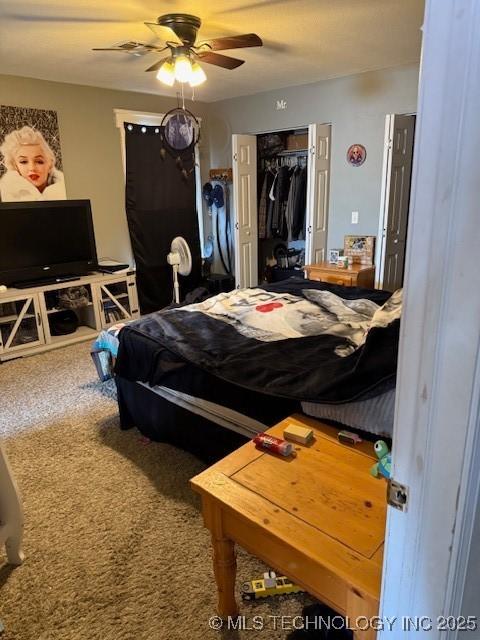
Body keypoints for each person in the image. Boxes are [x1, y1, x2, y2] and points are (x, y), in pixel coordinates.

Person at [0, 125, 66, 201]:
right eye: (23, 162)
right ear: (14, 166)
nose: (32, 168)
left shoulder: (65, 190)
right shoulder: (5, 196)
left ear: (50, 165)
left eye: (39, 162)